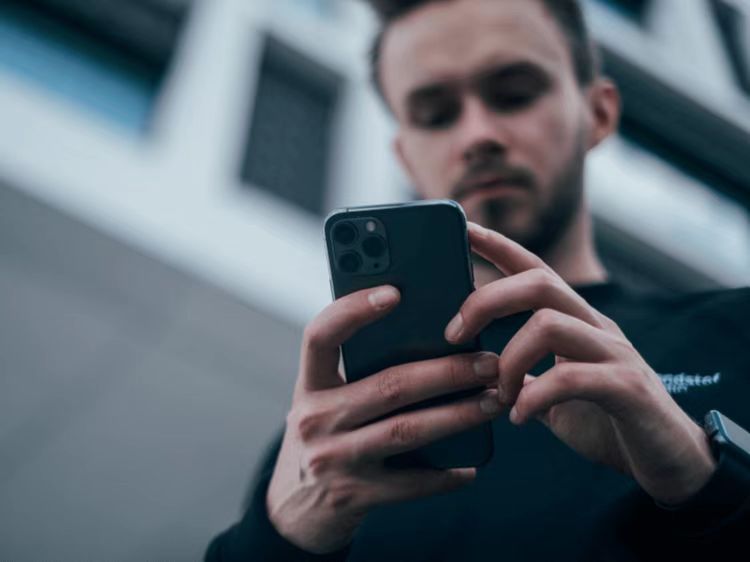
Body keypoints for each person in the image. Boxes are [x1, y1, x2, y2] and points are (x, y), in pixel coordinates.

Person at [206, 0, 750, 560]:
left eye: (514, 94)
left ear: (598, 112)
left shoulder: (739, 332)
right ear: (406, 159)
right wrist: (279, 536)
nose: (478, 134)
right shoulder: (333, 437)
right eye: (436, 114)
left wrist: (705, 475)